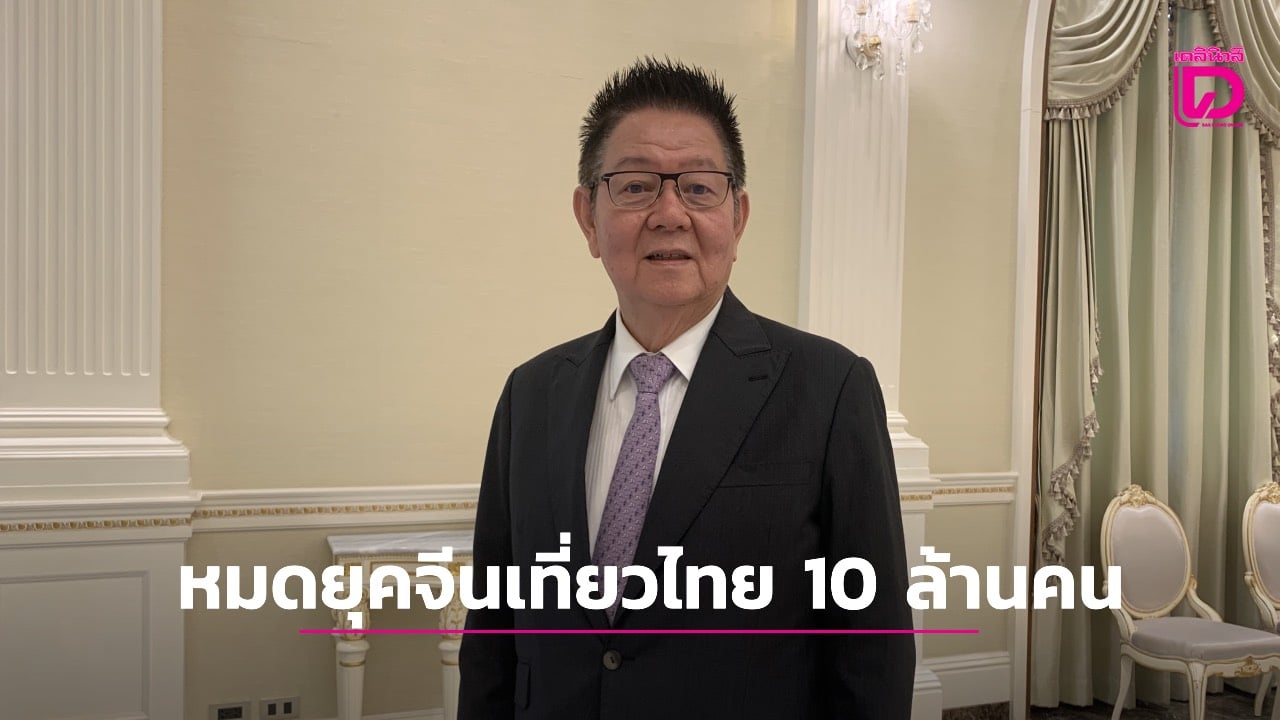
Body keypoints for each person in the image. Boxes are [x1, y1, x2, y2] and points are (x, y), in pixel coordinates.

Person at [458, 57, 915, 719]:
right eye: (636, 186)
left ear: (738, 217)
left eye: (699, 188)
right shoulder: (530, 395)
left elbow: (872, 649)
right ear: (588, 217)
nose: (669, 213)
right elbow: (493, 628)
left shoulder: (829, 389)